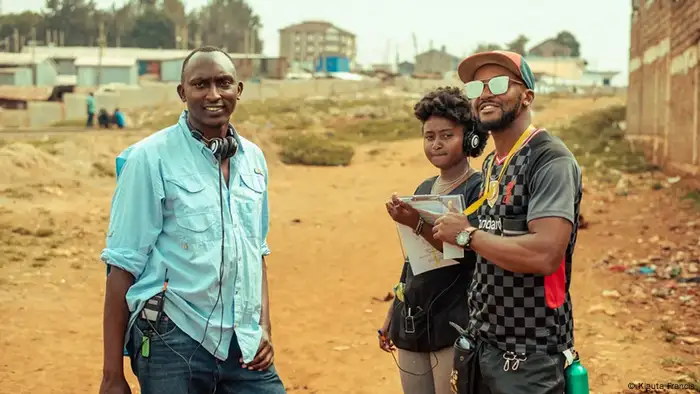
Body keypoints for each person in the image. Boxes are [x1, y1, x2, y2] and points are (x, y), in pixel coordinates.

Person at [98, 46, 286, 394]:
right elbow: (121, 266)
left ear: (238, 90)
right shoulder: (149, 159)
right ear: (182, 93)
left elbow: (255, 253)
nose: (213, 94)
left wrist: (264, 328)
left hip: (242, 343)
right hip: (173, 338)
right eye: (200, 84)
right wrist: (112, 375)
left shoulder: (254, 160)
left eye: (223, 83)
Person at [432, 50, 583, 393]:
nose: (485, 93)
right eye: (475, 87)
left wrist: (468, 235)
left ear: (527, 95)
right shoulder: (492, 165)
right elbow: (487, 243)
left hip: (530, 352)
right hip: (485, 341)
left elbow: (545, 254)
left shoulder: (550, 159)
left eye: (498, 83)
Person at [380, 86, 488, 394]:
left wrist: (415, 222)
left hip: (454, 320)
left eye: (446, 135)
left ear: (469, 138)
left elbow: (468, 251)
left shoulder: (478, 190)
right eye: (429, 137)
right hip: (413, 318)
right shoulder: (425, 187)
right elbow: (412, 260)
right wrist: (393, 313)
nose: (436, 144)